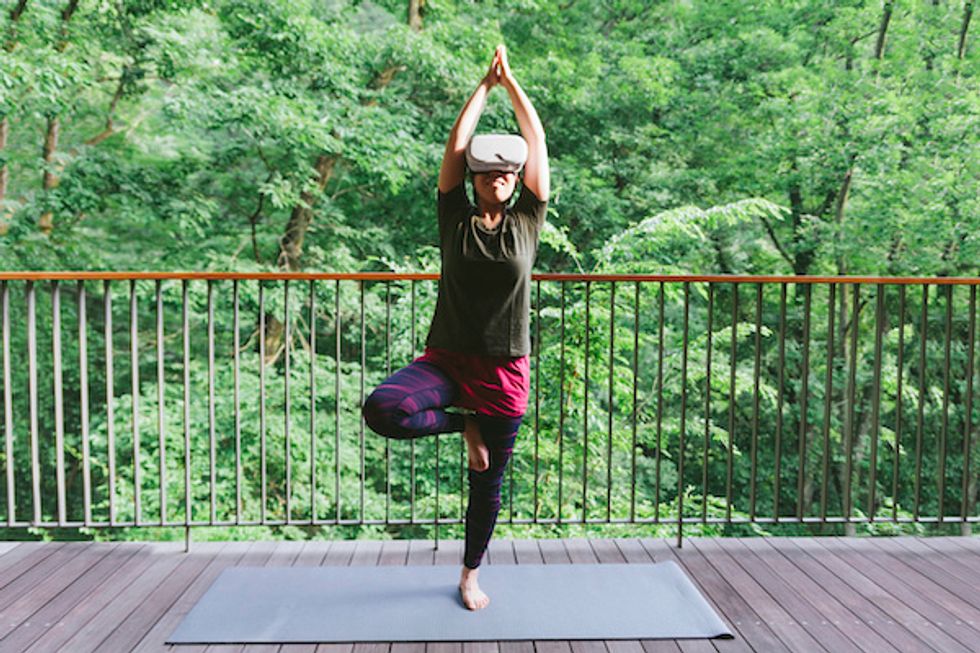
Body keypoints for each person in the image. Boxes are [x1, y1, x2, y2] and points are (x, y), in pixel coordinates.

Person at [362, 44, 549, 611]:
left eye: (509, 172)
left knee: (487, 482)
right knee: (384, 410)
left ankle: (469, 574)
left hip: (504, 369)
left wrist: (513, 84)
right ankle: (462, 424)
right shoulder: (454, 216)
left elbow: (536, 143)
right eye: (491, 170)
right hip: (447, 361)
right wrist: (483, 88)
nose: (501, 177)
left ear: (517, 180)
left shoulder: (528, 219)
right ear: (476, 177)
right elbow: (453, 147)